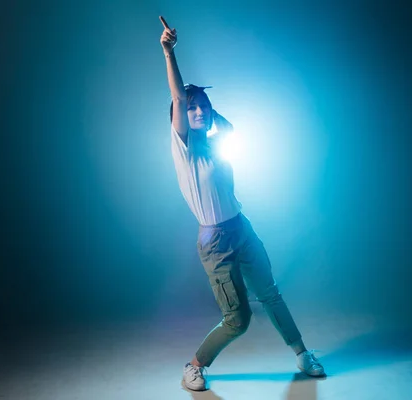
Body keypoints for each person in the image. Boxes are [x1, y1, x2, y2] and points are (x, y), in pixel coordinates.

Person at [159, 16, 326, 392]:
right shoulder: (183, 150)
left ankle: (302, 355)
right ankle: (194, 365)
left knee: (271, 293)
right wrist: (169, 53)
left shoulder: (217, 142)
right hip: (214, 243)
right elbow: (178, 97)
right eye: (191, 108)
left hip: (241, 228)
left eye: (203, 106)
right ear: (179, 116)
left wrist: (212, 112)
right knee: (238, 318)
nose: (197, 111)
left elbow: (229, 129)